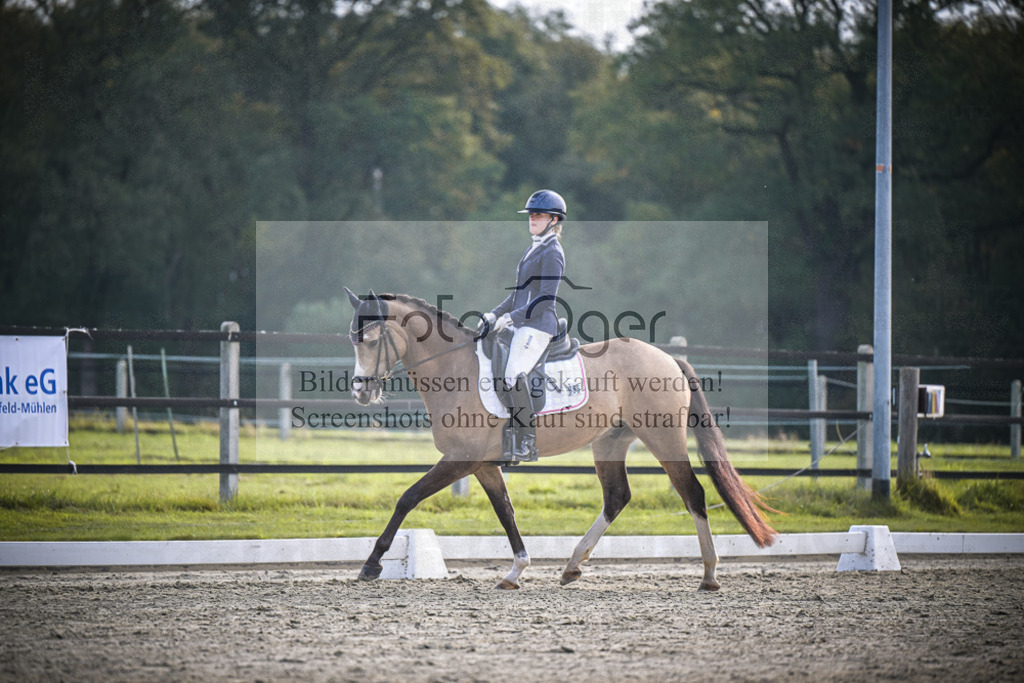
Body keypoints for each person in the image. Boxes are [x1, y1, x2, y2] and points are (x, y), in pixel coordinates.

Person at [479, 189, 567, 463]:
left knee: (514, 373)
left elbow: (545, 299)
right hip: (523, 322)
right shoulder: (534, 247)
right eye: (531, 214)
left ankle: (527, 441)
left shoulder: (552, 252)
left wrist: (513, 318)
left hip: (539, 325)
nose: (532, 219)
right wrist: (494, 315)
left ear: (554, 219)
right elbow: (517, 294)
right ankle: (507, 433)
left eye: (538, 215)